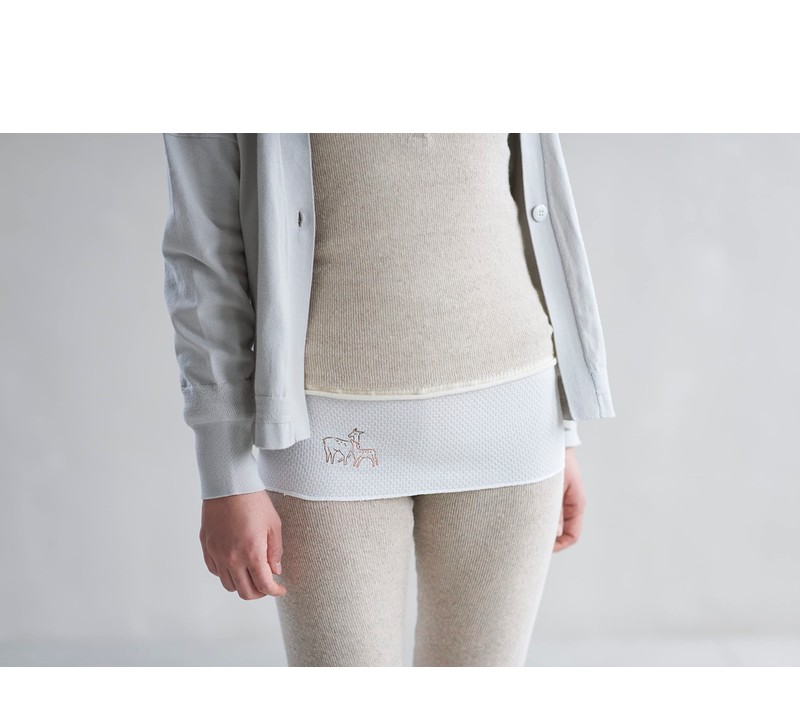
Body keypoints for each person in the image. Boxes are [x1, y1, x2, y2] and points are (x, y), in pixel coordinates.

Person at [161, 132, 615, 667]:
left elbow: (520, 189)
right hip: (323, 431)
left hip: (517, 416)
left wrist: (562, 428)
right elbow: (204, 250)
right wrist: (225, 470)